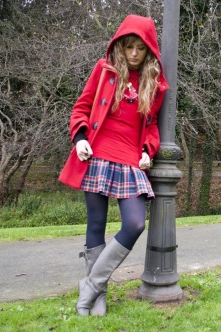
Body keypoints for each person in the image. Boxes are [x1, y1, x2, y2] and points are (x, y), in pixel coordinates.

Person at [58, 14, 168, 316]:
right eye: (129, 47)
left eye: (140, 49)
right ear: (120, 45)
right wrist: (79, 138)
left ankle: (91, 284)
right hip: (97, 154)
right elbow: (81, 106)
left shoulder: (154, 84)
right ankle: (99, 297)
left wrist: (148, 150)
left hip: (130, 160)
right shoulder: (104, 71)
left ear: (149, 51)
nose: (133, 54)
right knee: (96, 224)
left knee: (134, 223)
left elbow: (151, 125)